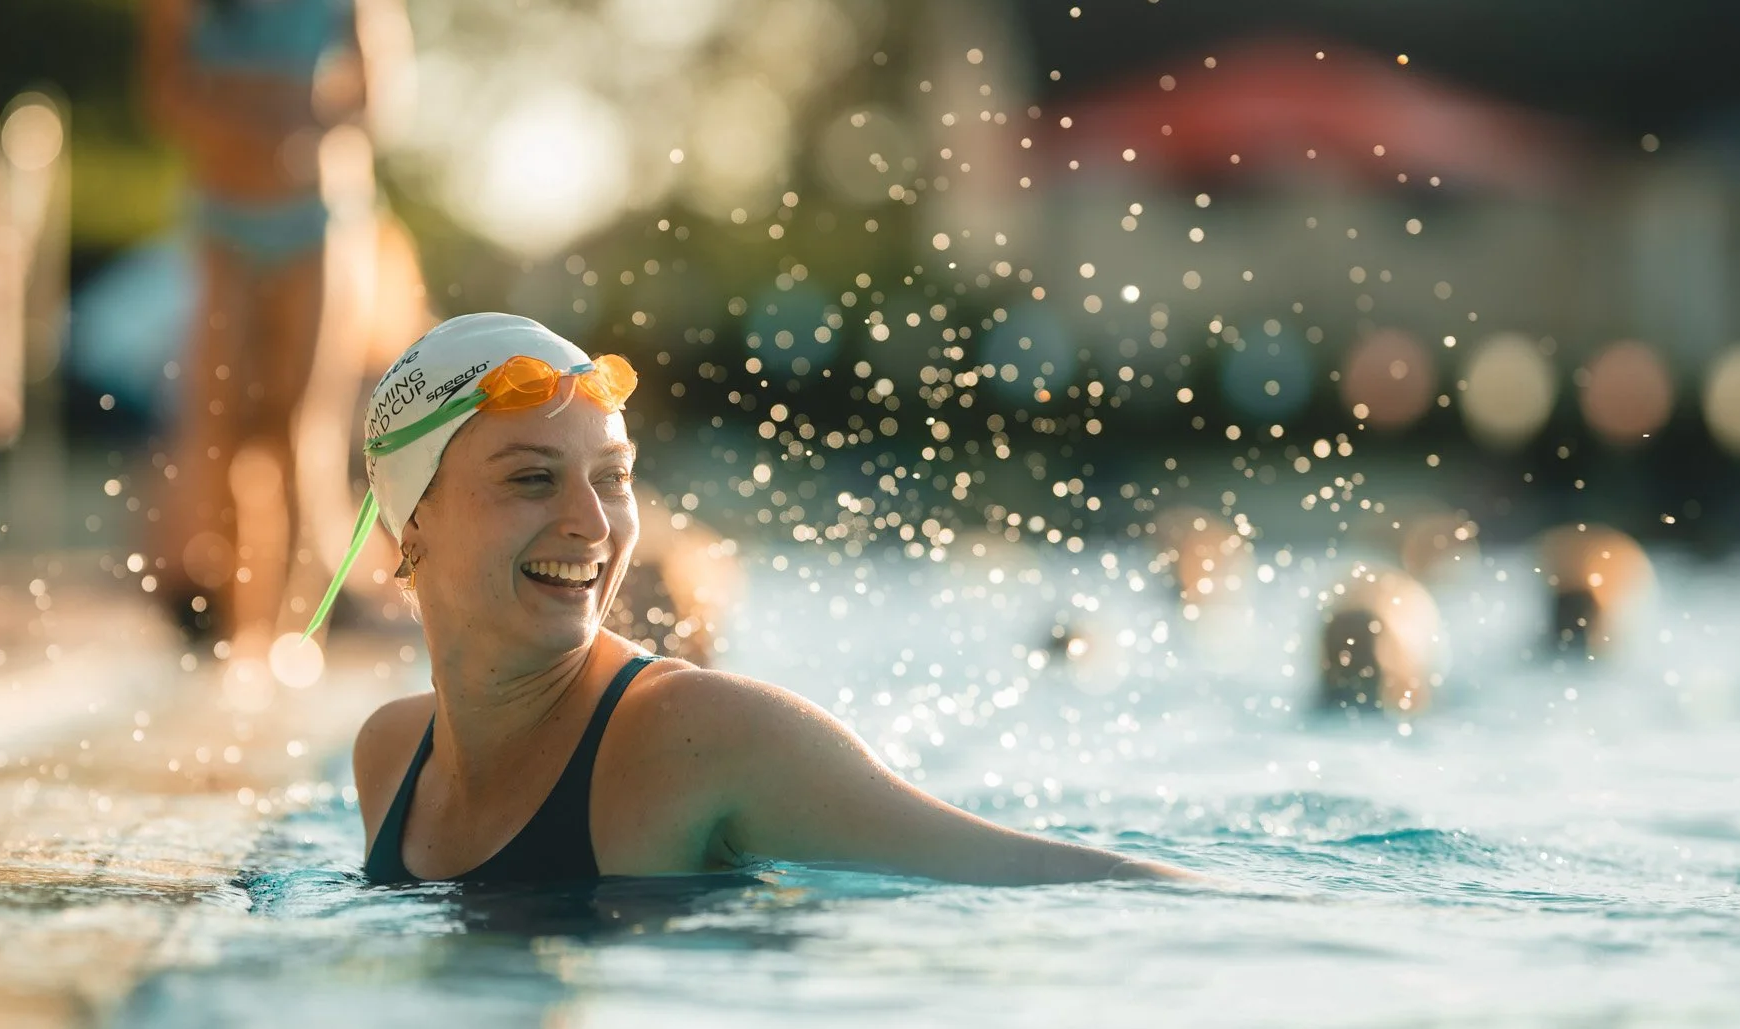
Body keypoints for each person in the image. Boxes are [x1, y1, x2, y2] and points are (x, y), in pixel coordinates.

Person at [308, 313, 1198, 886]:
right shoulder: (388, 757)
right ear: (406, 524)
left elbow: (1055, 881)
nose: (595, 524)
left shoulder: (705, 737)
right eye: (533, 478)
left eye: (612, 478)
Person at [138, 0, 421, 671]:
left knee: (303, 434)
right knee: (218, 432)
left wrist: (248, 107)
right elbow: (165, 94)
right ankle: (233, 630)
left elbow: (384, 100)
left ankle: (290, 644)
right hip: (224, 225)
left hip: (322, 229)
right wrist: (286, 109)